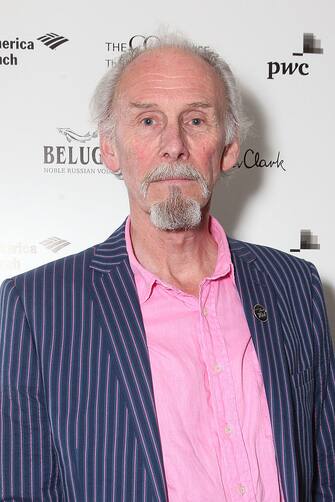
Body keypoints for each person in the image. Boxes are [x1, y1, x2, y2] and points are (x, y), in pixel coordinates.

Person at [0, 34, 334, 502]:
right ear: (110, 149)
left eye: (196, 120)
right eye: (148, 120)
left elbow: (324, 474)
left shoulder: (295, 286)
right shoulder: (38, 307)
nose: (173, 145)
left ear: (229, 147)